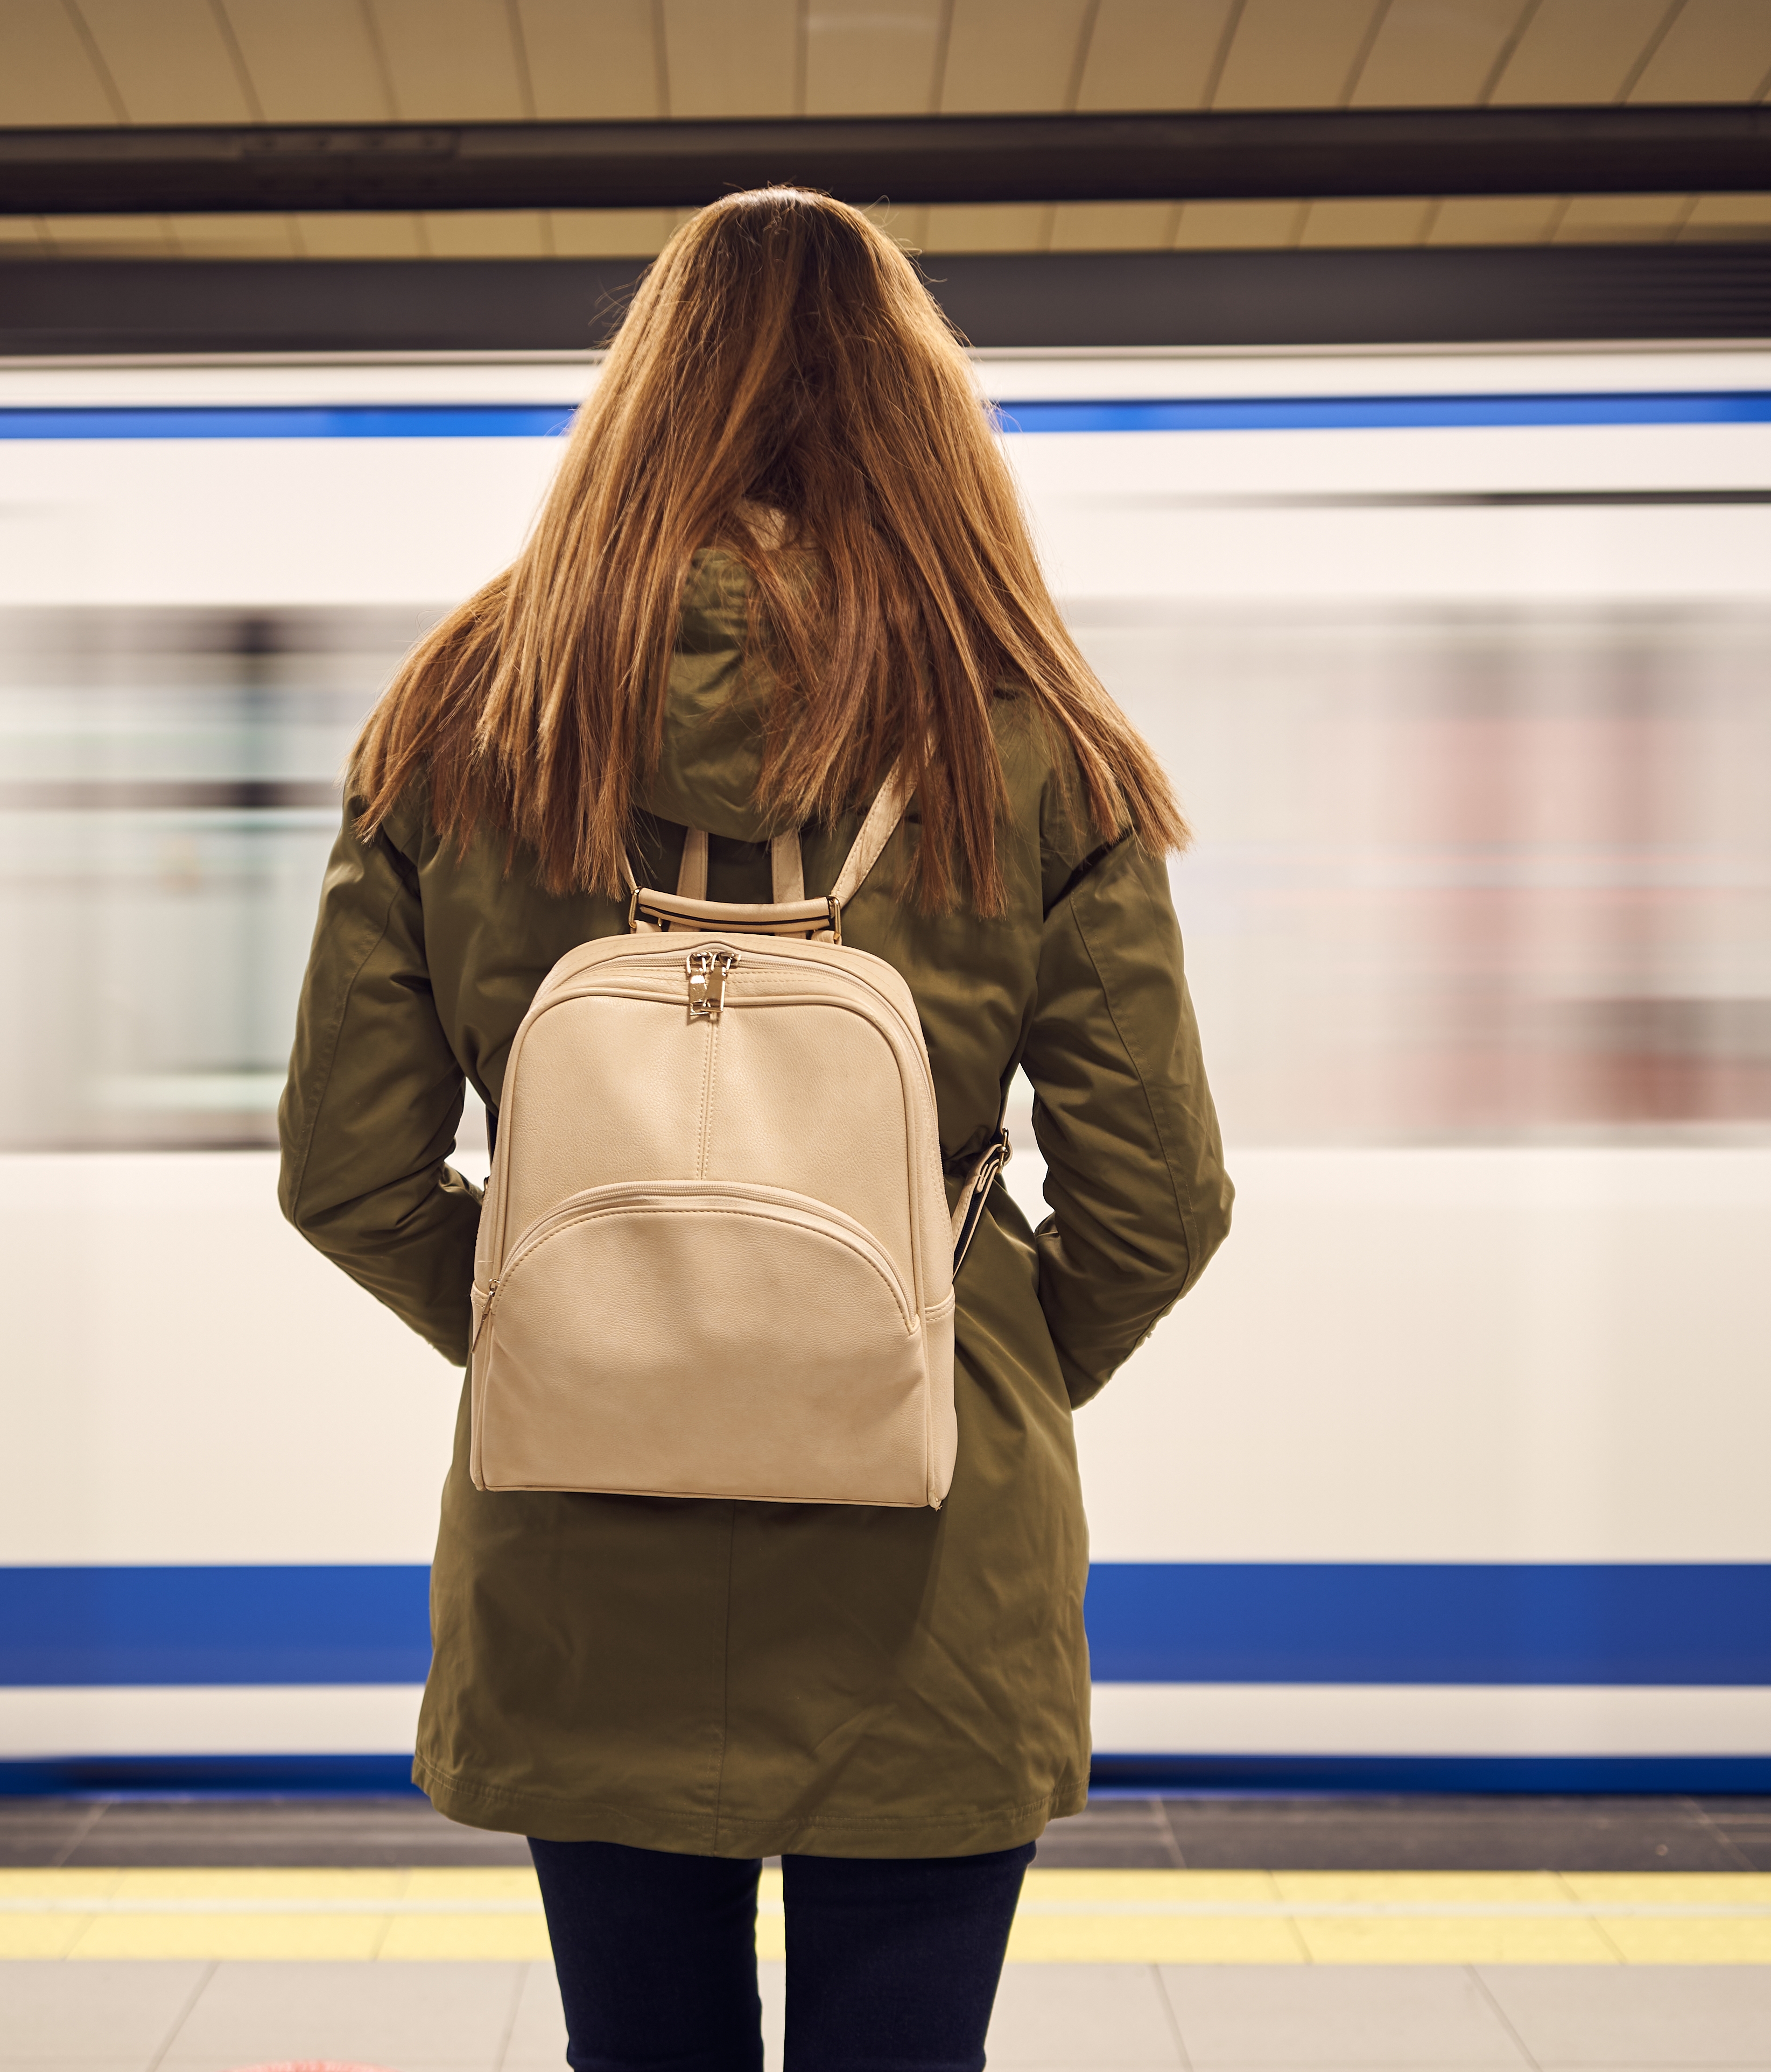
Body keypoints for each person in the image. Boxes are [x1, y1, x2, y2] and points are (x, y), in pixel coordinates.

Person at [278, 187, 1231, 2072]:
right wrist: (940, 1355)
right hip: (934, 1572)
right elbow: (1159, 1200)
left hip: (583, 1561)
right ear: (919, 413)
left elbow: (348, 1170)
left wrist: (589, 1329)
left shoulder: (461, 718)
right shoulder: (1028, 733)